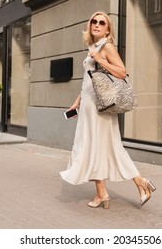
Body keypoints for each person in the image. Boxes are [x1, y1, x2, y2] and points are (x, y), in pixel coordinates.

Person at [60, 11, 156, 209]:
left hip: (99, 108)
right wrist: (78, 102)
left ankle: (140, 182)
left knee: (104, 147)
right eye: (93, 21)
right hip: (88, 105)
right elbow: (90, 80)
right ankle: (103, 193)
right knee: (96, 148)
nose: (96, 24)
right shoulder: (92, 47)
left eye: (101, 22)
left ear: (107, 28)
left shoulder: (106, 46)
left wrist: (100, 59)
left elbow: (122, 71)